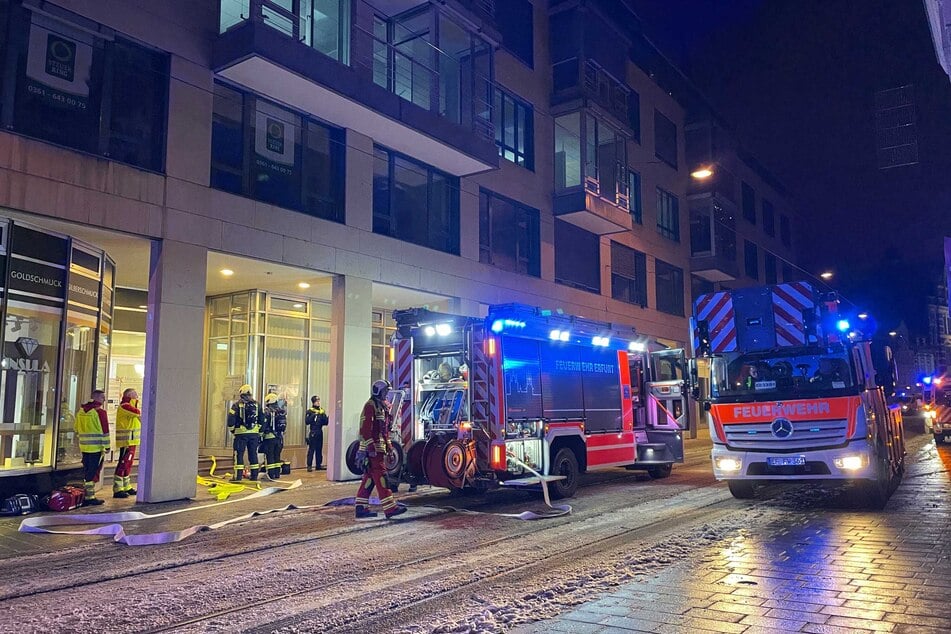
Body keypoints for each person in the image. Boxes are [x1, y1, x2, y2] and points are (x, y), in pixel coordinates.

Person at [354, 380, 407, 520]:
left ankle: (361, 507)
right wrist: (371, 447)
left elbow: (384, 431)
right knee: (382, 477)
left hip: (379, 449)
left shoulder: (381, 407)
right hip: (372, 451)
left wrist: (389, 447)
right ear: (378, 391)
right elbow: (365, 430)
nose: (387, 394)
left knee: (370, 478)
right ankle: (390, 508)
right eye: (385, 391)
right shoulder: (370, 406)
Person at [74, 389, 110, 506]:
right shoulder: (100, 412)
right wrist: (107, 446)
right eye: (102, 397)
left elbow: (76, 428)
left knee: (87, 471)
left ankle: (87, 495)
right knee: (93, 473)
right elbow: (105, 431)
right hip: (96, 447)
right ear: (97, 398)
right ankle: (90, 496)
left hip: (84, 446)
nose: (104, 399)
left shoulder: (81, 411)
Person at [227, 384, 260, 481]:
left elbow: (231, 420)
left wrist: (232, 430)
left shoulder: (236, 405)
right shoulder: (257, 405)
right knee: (253, 454)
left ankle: (238, 477)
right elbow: (262, 419)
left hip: (241, 434)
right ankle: (254, 476)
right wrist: (259, 432)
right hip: (254, 435)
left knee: (239, 455)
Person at [113, 388, 141, 499]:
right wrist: (134, 402)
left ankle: (126, 486)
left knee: (128, 464)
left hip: (131, 441)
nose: (137, 396)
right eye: (135, 394)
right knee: (123, 463)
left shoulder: (130, 406)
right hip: (126, 441)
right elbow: (137, 412)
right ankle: (118, 489)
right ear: (129, 395)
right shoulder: (125, 406)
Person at [259, 393, 287, 479]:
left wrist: (260, 435)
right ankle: (277, 474)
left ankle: (271, 475)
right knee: (277, 457)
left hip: (269, 438)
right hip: (279, 438)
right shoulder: (281, 411)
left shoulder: (268, 412)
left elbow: (264, 425)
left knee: (270, 457)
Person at [305, 395, 328, 471]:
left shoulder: (322, 411)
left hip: (319, 431)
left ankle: (318, 465)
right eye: (316, 401)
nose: (318, 402)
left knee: (319, 449)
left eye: (319, 401)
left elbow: (325, 422)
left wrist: (324, 415)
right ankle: (309, 465)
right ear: (313, 402)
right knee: (311, 449)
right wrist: (314, 415)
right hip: (313, 432)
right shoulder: (310, 411)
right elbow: (307, 421)